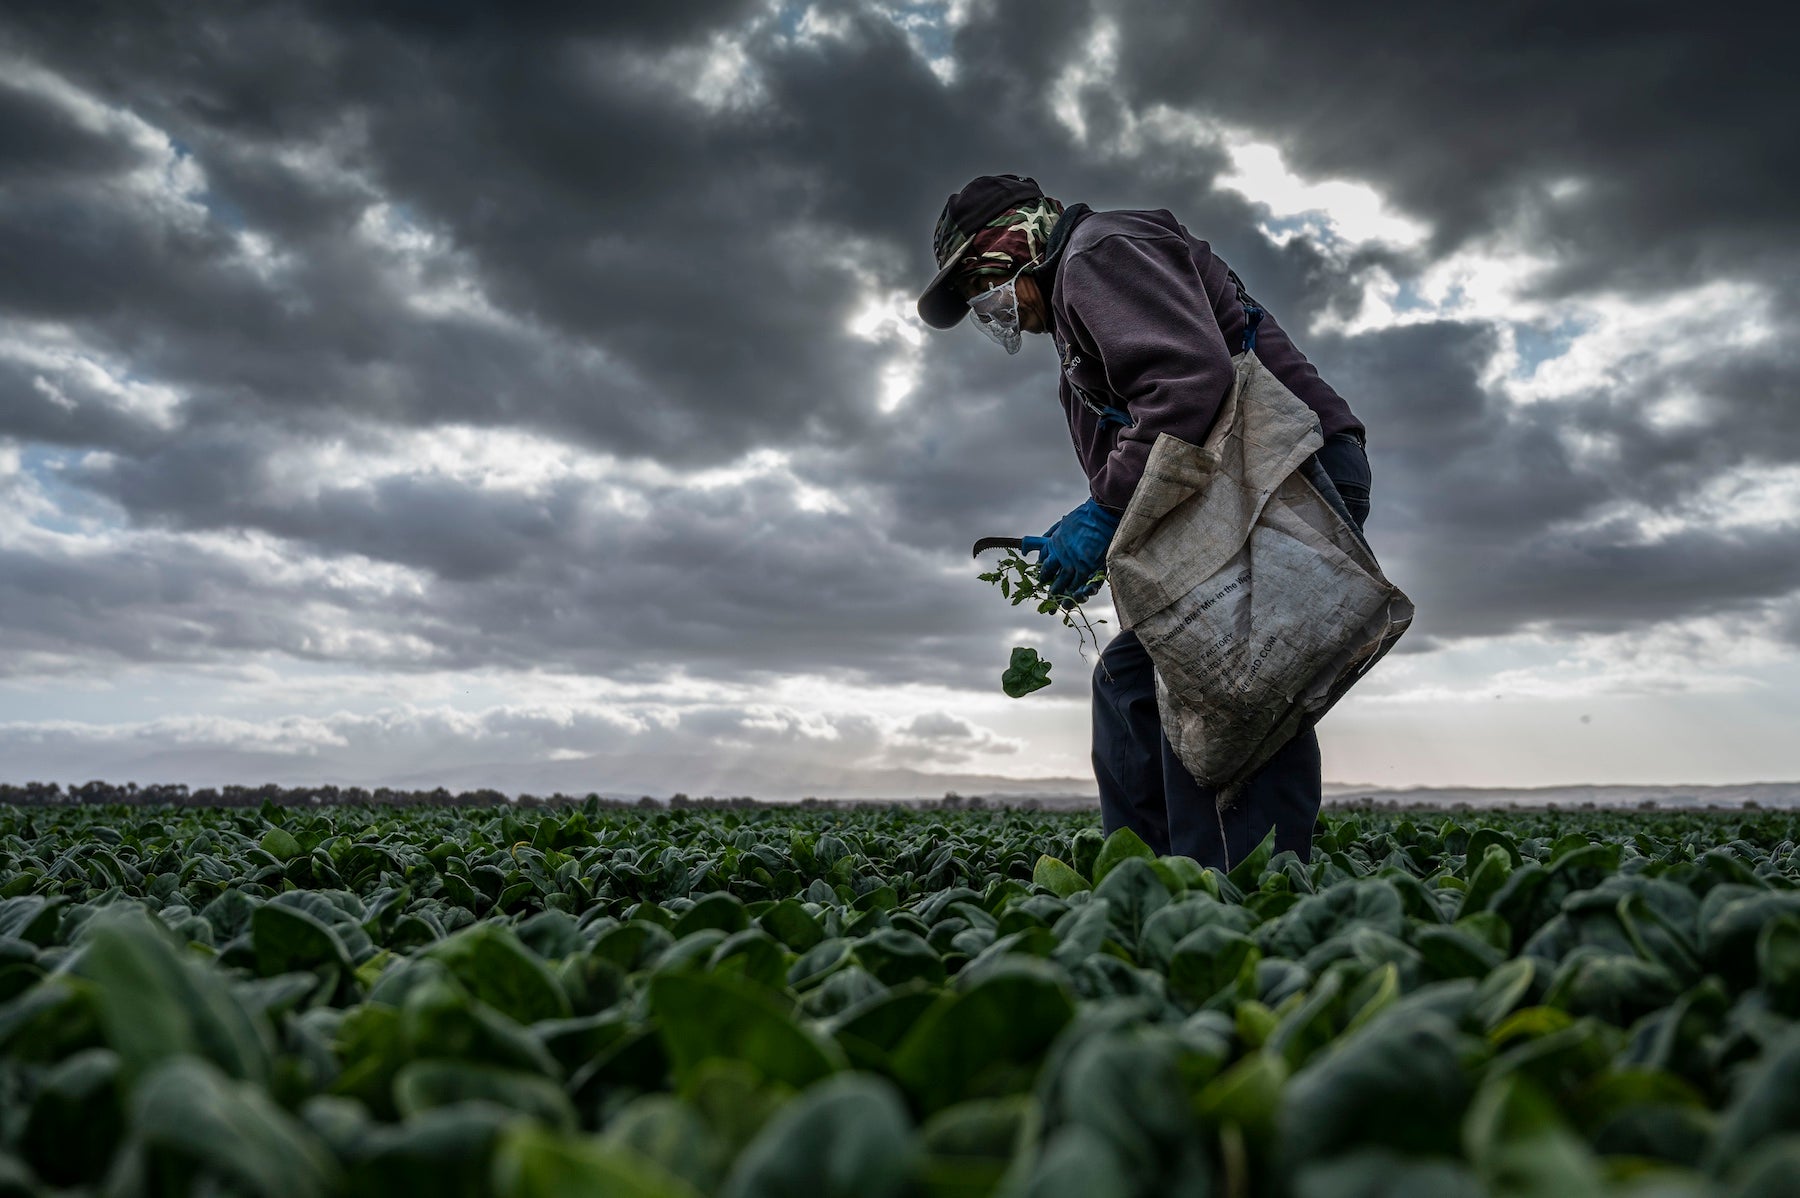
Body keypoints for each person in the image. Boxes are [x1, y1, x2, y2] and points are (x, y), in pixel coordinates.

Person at [916, 174, 1370, 870]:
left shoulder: (1101, 252)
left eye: (983, 289)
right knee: (1128, 681)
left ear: (1012, 250)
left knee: (1216, 687)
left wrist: (1100, 515)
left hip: (1285, 476)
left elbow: (1189, 383)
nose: (992, 311)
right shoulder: (1073, 353)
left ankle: (1241, 898)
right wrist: (1092, 538)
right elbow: (1126, 477)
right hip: (1232, 495)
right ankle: (1150, 886)